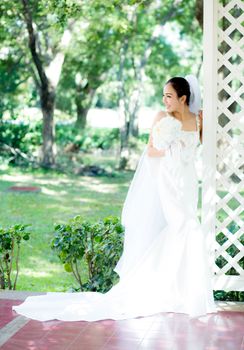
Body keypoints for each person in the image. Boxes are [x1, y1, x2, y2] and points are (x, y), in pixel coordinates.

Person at [13, 75, 217, 322]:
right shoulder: (162, 119)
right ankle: (175, 291)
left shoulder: (198, 119)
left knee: (183, 229)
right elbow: (151, 150)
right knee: (187, 228)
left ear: (183, 98)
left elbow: (206, 146)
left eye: (169, 96)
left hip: (187, 182)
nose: (164, 100)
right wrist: (169, 145)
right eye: (163, 95)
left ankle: (176, 291)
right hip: (169, 182)